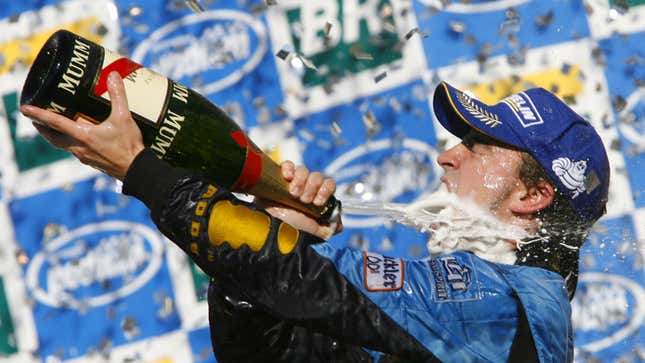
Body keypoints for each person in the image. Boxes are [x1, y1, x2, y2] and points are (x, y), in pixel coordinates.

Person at [21, 71, 610, 363]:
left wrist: (140, 169)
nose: (446, 155)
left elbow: (299, 281)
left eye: (476, 146)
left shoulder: (506, 306)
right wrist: (281, 230)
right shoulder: (478, 323)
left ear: (533, 197)